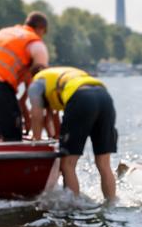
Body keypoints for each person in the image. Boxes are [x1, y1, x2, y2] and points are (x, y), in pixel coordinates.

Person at [28, 66, 117, 201]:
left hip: (81, 98)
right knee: (104, 164)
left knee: (67, 164)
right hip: (104, 97)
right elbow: (52, 118)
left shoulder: (36, 84)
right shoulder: (62, 75)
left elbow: (36, 115)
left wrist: (36, 142)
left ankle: (73, 208)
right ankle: (111, 204)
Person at [0, 12, 50, 142]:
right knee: (12, 135)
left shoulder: (6, 32)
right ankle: (15, 161)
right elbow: (40, 83)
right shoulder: (35, 42)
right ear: (41, 29)